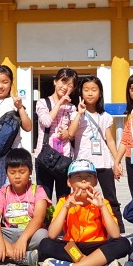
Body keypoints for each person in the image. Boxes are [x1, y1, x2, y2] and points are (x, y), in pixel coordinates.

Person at [38, 159, 131, 266]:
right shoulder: (64, 201)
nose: (83, 180)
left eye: (88, 177)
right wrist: (66, 207)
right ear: (69, 182)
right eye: (78, 177)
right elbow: (52, 234)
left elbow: (115, 234)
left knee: (123, 243)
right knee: (46, 244)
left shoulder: (102, 202)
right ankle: (97, 265)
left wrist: (102, 207)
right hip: (72, 247)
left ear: (95, 181)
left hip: (97, 247)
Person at [0, 148, 49, 266]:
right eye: (12, 172)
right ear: (6, 173)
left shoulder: (38, 191)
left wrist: (23, 239)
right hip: (7, 234)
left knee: (43, 234)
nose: (17, 176)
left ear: (30, 171)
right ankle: (18, 256)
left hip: (29, 234)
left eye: (22, 172)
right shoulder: (3, 192)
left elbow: (38, 218)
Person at [0, 65, 33, 220]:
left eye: (5, 82)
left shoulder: (15, 102)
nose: (0, 86)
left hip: (13, 153)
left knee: (14, 188)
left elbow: (28, 127)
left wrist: (20, 108)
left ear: (11, 83)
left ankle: (12, 221)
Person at [73, 75, 124, 232]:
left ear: (100, 93)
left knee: (111, 197)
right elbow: (71, 133)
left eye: (94, 90)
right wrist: (79, 113)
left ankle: (118, 229)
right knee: (82, 197)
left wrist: (117, 162)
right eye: (86, 90)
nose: (90, 93)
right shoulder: (76, 114)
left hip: (104, 162)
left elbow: (110, 140)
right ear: (80, 92)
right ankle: (83, 227)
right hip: (83, 164)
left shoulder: (105, 116)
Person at [34, 67, 79, 201]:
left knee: (63, 198)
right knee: (43, 198)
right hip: (44, 156)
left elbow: (73, 133)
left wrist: (68, 134)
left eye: (70, 85)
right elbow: (46, 122)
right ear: (55, 81)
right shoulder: (43, 102)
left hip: (64, 157)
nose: (65, 87)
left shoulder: (72, 108)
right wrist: (59, 103)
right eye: (63, 82)